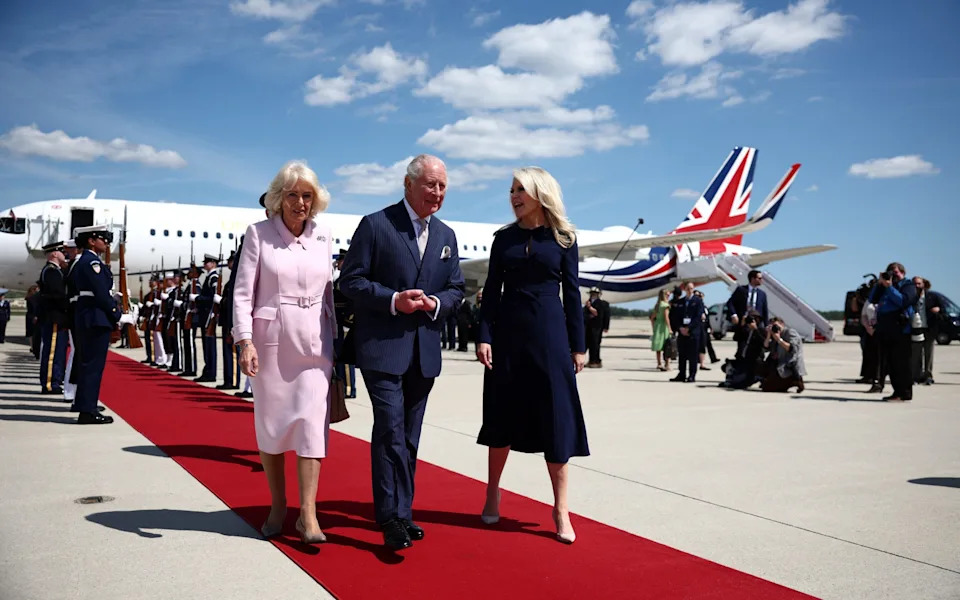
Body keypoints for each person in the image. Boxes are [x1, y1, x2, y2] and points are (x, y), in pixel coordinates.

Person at [339, 154, 465, 551]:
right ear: (408, 184)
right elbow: (350, 282)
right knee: (390, 429)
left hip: (423, 353)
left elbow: (457, 288)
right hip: (382, 349)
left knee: (409, 435)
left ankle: (403, 512)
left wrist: (436, 303)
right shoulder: (376, 225)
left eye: (443, 186)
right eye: (431, 184)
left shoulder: (446, 236)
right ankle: (391, 517)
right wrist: (394, 299)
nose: (438, 192)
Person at [476, 166, 587, 545]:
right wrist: (484, 336)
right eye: (511, 190)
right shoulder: (502, 240)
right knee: (501, 415)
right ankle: (493, 491)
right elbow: (491, 291)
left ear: (540, 193)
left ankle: (560, 508)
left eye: (520, 189)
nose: (513, 196)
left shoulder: (564, 240)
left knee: (555, 417)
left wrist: (579, 346)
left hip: (550, 336)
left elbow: (572, 295)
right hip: (508, 335)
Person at [233, 161, 337, 545]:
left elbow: (328, 293)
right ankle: (279, 505)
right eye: (292, 195)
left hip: (315, 346)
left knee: (312, 425)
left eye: (307, 195)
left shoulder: (324, 236)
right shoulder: (258, 234)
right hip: (271, 344)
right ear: (279, 198)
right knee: (273, 428)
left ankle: (308, 514)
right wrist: (245, 342)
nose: (300, 203)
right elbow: (243, 294)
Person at [71, 225, 133, 424]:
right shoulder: (91, 262)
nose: (106, 243)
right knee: (93, 366)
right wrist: (117, 314)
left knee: (88, 364)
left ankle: (84, 404)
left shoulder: (87, 261)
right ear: (91, 240)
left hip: (89, 316)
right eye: (103, 239)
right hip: (95, 318)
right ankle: (87, 411)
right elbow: (99, 293)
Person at [869, 262, 917, 402]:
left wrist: (890, 287)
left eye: (895, 272)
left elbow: (903, 301)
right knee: (890, 363)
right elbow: (872, 299)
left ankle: (904, 393)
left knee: (901, 363)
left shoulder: (908, 286)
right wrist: (879, 284)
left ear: (903, 272)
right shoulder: (884, 287)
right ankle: (897, 392)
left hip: (900, 328)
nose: (892, 275)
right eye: (889, 272)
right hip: (886, 327)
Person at [38, 241, 69, 394]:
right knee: (52, 351)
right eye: (62, 252)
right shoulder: (51, 271)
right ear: (55, 254)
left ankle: (54, 380)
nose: (65, 255)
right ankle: (50, 383)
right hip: (54, 316)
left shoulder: (55, 271)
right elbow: (58, 295)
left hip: (56, 316)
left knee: (57, 350)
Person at [332, 249, 357, 399]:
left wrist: (349, 320)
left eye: (341, 261)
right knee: (340, 357)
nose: (339, 264)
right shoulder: (339, 279)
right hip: (338, 321)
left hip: (345, 321)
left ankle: (349, 388)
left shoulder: (347, 280)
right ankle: (343, 386)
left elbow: (352, 302)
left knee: (346, 360)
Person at [726, 270, 768, 356]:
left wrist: (766, 326)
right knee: (742, 347)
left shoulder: (762, 294)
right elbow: (730, 303)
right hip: (744, 323)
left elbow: (765, 311)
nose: (761, 280)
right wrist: (734, 315)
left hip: (757, 324)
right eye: (759, 278)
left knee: (758, 348)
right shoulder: (741, 290)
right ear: (752, 279)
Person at [760, 316, 806, 392]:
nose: (776, 328)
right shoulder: (775, 334)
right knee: (764, 382)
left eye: (777, 326)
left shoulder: (790, 332)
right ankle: (784, 383)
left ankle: (796, 381)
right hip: (779, 365)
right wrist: (769, 334)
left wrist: (779, 340)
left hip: (790, 367)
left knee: (767, 388)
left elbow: (792, 349)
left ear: (782, 324)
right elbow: (766, 347)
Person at [671, 282, 704, 383]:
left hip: (693, 332)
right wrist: (680, 328)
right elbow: (675, 317)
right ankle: (681, 374)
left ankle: (692, 375)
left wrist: (689, 328)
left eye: (692, 289)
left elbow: (698, 316)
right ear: (684, 289)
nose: (690, 290)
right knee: (682, 355)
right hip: (682, 332)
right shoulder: (680, 302)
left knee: (693, 356)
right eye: (688, 288)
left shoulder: (698, 301)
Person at [194, 254, 220, 382]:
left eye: (208, 262)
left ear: (214, 264)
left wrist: (198, 298)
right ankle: (208, 370)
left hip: (209, 315)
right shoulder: (209, 277)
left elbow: (213, 298)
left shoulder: (213, 277)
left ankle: (211, 372)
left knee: (209, 345)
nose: (205, 264)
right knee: (206, 344)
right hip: (205, 315)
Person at [217, 248, 240, 390]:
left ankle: (233, 381)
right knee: (227, 352)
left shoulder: (237, 279)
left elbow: (234, 300)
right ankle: (228, 379)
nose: (228, 264)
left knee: (233, 353)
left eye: (230, 261)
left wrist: (222, 301)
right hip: (227, 320)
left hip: (232, 320)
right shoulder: (231, 279)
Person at [583, 286, 610, 368]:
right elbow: (584, 314)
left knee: (595, 344)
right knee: (588, 344)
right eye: (592, 293)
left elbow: (601, 315)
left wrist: (606, 327)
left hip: (597, 327)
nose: (593, 295)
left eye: (595, 293)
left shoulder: (602, 303)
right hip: (588, 327)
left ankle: (596, 361)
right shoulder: (588, 302)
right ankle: (591, 360)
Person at [650, 288, 672, 371]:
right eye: (668, 294)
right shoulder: (665, 305)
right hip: (664, 326)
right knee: (667, 346)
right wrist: (669, 328)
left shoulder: (657, 305)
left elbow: (652, 318)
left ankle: (659, 363)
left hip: (658, 326)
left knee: (658, 346)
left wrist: (654, 326)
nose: (669, 296)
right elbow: (666, 318)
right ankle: (667, 364)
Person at [26, 284, 40, 356]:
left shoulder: (28, 297)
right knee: (35, 332)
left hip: (29, 316)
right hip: (33, 316)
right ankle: (35, 347)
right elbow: (35, 308)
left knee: (30, 333)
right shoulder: (34, 298)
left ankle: (32, 346)